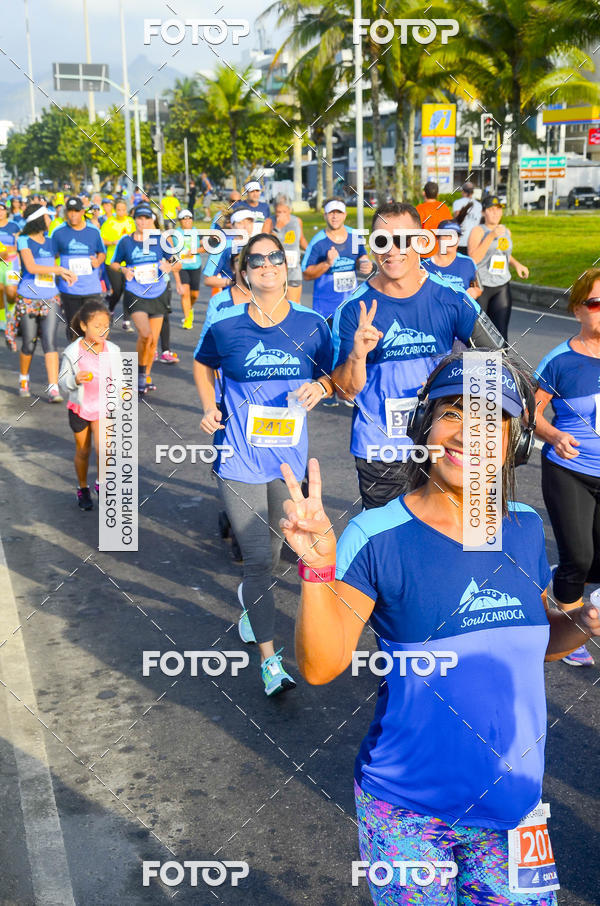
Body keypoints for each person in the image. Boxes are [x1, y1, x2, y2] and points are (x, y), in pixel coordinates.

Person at [280, 351, 600, 906]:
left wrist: (584, 622)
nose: (466, 435)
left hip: (517, 807)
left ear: (512, 443)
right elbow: (320, 665)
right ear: (423, 425)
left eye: (489, 421)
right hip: (406, 808)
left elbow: (536, 644)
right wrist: (317, 565)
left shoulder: (523, 527)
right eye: (452, 413)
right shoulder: (376, 535)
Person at [193, 232, 335, 695]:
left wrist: (324, 387)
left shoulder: (313, 324)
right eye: (257, 261)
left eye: (276, 257)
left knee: (276, 556)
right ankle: (271, 663)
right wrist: (209, 405)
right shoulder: (227, 325)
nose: (268, 265)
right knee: (258, 560)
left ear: (286, 266)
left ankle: (250, 600)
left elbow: (333, 374)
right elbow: (202, 363)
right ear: (244, 273)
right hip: (238, 459)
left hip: (288, 465)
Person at [331, 201, 503, 510]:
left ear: (420, 242)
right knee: (390, 545)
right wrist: (357, 356)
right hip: (381, 451)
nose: (392, 250)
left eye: (402, 239)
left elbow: (497, 359)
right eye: (382, 240)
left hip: (444, 443)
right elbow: (344, 390)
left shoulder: (452, 298)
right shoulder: (352, 310)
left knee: (455, 538)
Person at [533, 267, 600, 667]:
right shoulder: (560, 360)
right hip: (569, 469)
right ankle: (571, 630)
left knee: (597, 559)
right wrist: (554, 435)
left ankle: (569, 583)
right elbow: (532, 413)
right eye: (595, 303)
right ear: (578, 310)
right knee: (578, 556)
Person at [6, 203, 75, 400]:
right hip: (28, 297)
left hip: (50, 297)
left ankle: (53, 387)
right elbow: (32, 267)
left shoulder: (52, 241)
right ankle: (24, 378)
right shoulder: (24, 240)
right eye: (47, 216)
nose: (50, 219)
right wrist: (59, 270)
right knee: (28, 343)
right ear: (38, 219)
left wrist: (67, 273)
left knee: (50, 341)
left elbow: (57, 263)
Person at [111, 202, 179, 395]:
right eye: (139, 218)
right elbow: (114, 263)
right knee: (145, 334)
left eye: (146, 218)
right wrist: (124, 269)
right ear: (135, 219)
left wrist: (170, 267)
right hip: (135, 291)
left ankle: (146, 375)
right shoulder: (126, 241)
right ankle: (139, 374)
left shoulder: (162, 240)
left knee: (153, 340)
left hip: (158, 292)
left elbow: (177, 263)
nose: (143, 221)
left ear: (152, 220)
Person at [58, 300, 120, 511]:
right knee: (83, 450)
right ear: (84, 326)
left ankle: (101, 483)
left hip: (104, 407)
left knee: (105, 449)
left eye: (106, 325)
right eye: (97, 326)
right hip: (81, 407)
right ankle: (82, 487)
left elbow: (120, 380)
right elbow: (62, 382)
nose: (103, 330)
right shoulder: (72, 351)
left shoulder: (113, 350)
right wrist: (75, 380)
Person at [468, 194, 529, 342]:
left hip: (501, 284)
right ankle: (477, 364)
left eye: (498, 209)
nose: (495, 213)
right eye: (491, 209)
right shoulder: (478, 231)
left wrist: (516, 264)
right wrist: (490, 236)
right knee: (480, 332)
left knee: (501, 332)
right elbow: (473, 259)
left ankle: (502, 363)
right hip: (482, 286)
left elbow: (504, 254)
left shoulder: (506, 231)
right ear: (483, 212)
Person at [301, 198, 372, 325]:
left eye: (338, 212)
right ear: (325, 215)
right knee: (328, 345)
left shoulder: (355, 236)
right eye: (331, 213)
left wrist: (364, 264)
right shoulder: (318, 242)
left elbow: (362, 256)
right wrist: (327, 263)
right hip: (325, 310)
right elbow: (306, 274)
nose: (335, 216)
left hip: (350, 307)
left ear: (344, 215)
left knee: (350, 344)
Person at [51, 196, 106, 342]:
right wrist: (59, 270)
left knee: (94, 326)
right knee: (74, 327)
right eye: (70, 211)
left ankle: (93, 360)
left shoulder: (93, 231)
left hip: (91, 288)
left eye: (76, 211)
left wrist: (98, 261)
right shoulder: (58, 232)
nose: (73, 214)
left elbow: (102, 253)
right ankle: (76, 361)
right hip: (70, 288)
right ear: (66, 213)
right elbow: (50, 256)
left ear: (82, 212)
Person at [421, 220, 481, 299]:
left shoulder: (468, 263)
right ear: (437, 238)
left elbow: (478, 287)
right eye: (446, 235)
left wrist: (475, 292)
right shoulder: (423, 267)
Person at [100, 198, 136, 330]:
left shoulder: (131, 222)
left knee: (128, 290)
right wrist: (112, 242)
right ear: (115, 210)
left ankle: (126, 321)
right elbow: (101, 240)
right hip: (113, 262)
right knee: (117, 291)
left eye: (123, 209)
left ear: (127, 210)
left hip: (129, 263)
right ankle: (110, 307)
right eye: (119, 209)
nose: (121, 212)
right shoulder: (109, 222)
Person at [203, 208, 256, 296]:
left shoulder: (258, 244)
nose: (246, 226)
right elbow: (208, 279)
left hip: (257, 299)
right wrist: (234, 282)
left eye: (249, 222)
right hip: (232, 299)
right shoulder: (223, 247)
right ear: (232, 226)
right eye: (240, 223)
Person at [271, 194, 307, 304]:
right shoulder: (270, 221)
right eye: (278, 212)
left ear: (290, 210)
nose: (281, 215)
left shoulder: (297, 221)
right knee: (276, 305)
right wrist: (278, 227)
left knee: (294, 305)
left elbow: (301, 240)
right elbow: (267, 242)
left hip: (293, 270)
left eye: (284, 211)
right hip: (275, 270)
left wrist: (313, 253)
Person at [173, 209, 203, 329]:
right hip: (182, 267)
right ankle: (187, 319)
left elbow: (205, 247)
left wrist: (195, 250)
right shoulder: (176, 233)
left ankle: (190, 308)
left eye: (189, 218)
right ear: (180, 221)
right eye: (184, 218)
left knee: (194, 295)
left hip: (195, 266)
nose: (187, 220)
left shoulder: (196, 231)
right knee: (185, 293)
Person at [0, 200, 21, 331]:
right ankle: (2, 318)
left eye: (2, 210)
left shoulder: (14, 226)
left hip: (12, 263)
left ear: (6, 212)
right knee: (0, 291)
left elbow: (19, 245)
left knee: (12, 292)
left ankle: (11, 312)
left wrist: (9, 250)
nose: (0, 213)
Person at [452, 182, 482, 253]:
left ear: (463, 191)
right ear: (473, 192)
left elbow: (456, 220)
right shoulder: (479, 205)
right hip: (474, 240)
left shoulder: (457, 203)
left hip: (461, 240)